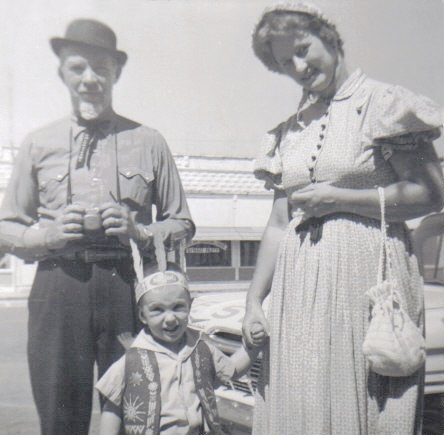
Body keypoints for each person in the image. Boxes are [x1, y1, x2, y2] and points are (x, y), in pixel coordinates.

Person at [242, 3, 444, 434]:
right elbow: (280, 222)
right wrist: (254, 301)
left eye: (303, 49)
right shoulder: (289, 131)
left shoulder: (383, 104)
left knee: (366, 397)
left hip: (366, 276)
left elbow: (430, 194)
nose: (298, 67)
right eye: (284, 63)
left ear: (329, 37)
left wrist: (340, 199)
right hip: (298, 289)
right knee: (303, 397)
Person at [0, 19, 194, 435]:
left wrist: (139, 230)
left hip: (125, 285)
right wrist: (44, 237)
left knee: (134, 409)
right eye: (77, 68)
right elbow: (6, 227)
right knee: (58, 411)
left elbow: (183, 223)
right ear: (62, 73)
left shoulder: (149, 140)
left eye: (100, 69)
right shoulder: (38, 143)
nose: (89, 80)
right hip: (57, 285)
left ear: (116, 73)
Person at [96, 263, 261, 435]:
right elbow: (112, 407)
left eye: (178, 307)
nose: (170, 318)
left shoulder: (200, 348)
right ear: (142, 316)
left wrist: (252, 346)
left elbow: (232, 369)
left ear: (190, 306)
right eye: (157, 310)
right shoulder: (132, 360)